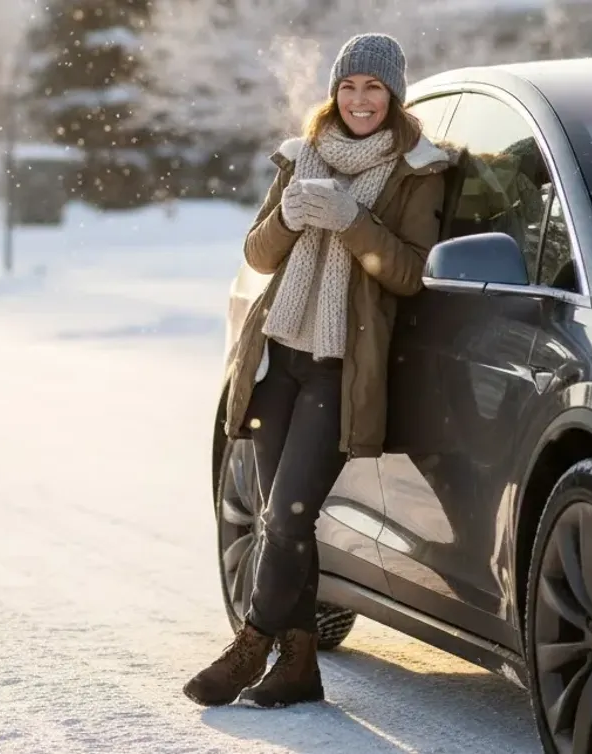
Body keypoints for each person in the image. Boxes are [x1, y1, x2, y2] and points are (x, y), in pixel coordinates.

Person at [183, 32, 452, 709]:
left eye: (374, 88)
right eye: (349, 87)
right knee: (281, 520)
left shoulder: (416, 170)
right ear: (334, 93)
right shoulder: (301, 156)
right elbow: (259, 252)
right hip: (281, 359)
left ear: (394, 96)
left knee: (289, 516)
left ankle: (251, 645)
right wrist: (291, 217)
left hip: (341, 365)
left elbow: (409, 272)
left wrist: (352, 220)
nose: (360, 100)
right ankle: (299, 664)